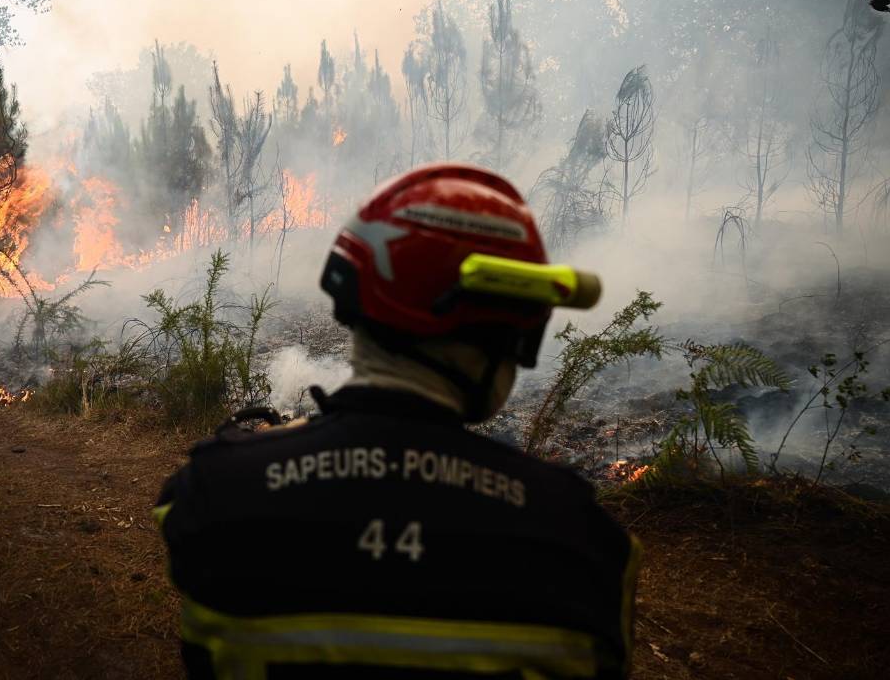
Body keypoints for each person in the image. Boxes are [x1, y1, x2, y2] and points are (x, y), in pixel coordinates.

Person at [155, 162, 639, 679]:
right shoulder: (584, 545)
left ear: (354, 307)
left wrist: (280, 451)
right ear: (501, 337)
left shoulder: (211, 496)